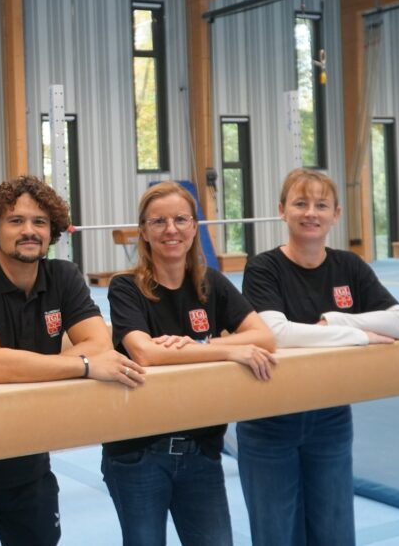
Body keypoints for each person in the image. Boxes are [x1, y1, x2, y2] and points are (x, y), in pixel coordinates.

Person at [0, 175, 145, 546]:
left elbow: (99, 342)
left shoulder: (63, 276)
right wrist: (83, 366)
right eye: (16, 221)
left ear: (52, 231)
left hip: (30, 458)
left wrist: (30, 366)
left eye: (39, 222)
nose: (29, 230)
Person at [239, 168, 399, 546]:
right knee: (276, 535)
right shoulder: (264, 268)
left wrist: (335, 319)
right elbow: (275, 335)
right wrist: (359, 336)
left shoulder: (349, 266)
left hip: (330, 416)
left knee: (335, 533)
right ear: (282, 210)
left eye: (321, 205)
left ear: (336, 214)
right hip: (269, 418)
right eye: (300, 203)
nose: (310, 213)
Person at [103, 181, 276, 546]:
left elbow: (263, 337)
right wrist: (229, 350)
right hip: (138, 452)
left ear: (195, 227)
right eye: (159, 221)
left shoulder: (211, 283)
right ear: (143, 231)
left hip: (201, 449)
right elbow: (145, 353)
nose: (171, 229)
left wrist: (202, 344)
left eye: (181, 219)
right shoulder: (125, 287)